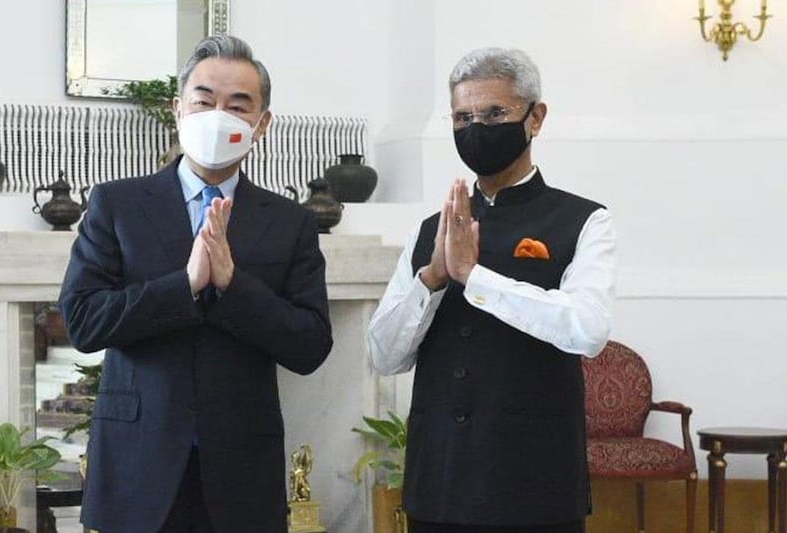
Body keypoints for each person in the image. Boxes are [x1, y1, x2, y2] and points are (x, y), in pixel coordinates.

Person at [59, 35, 333, 533]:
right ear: (179, 108)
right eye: (204, 100)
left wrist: (233, 285)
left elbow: (311, 344)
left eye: (237, 105)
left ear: (262, 124)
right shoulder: (117, 205)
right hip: (137, 464)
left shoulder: (291, 221)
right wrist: (182, 286)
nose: (217, 114)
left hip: (242, 470)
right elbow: (83, 322)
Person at [367, 48, 616, 533]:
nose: (476, 128)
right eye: (462, 117)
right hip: (440, 486)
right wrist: (433, 278)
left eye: (494, 114)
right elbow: (383, 355)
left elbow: (588, 329)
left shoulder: (585, 220)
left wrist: (476, 278)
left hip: (536, 487)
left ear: (535, 117)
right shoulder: (429, 230)